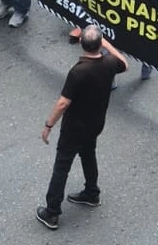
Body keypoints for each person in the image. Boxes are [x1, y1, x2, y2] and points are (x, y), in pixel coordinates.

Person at [36, 24, 128, 230]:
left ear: (81, 43)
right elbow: (125, 63)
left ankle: (52, 212)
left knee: (62, 166)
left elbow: (63, 103)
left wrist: (48, 125)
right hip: (95, 124)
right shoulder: (110, 62)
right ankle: (92, 193)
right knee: (88, 154)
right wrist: (107, 45)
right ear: (99, 44)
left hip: (74, 128)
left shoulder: (78, 71)